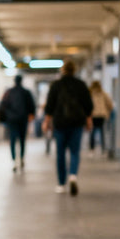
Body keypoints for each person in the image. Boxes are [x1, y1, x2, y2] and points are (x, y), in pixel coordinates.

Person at [44, 60, 93, 195]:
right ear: (74, 70)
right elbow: (88, 105)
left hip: (60, 123)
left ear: (63, 70)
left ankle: (61, 183)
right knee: (75, 151)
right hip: (77, 123)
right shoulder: (81, 85)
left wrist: (46, 121)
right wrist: (89, 120)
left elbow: (50, 105)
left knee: (60, 153)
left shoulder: (56, 85)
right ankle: (73, 176)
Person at [0, 74, 36, 172]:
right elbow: (32, 106)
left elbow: (3, 105)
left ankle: (14, 161)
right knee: (22, 140)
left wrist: (4, 118)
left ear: (14, 81)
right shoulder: (26, 92)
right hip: (23, 119)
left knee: (13, 139)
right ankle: (22, 158)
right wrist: (31, 116)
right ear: (21, 81)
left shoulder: (8, 92)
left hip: (12, 120)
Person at [87, 80, 114, 154]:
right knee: (102, 131)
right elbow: (109, 104)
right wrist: (109, 110)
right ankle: (103, 148)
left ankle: (91, 148)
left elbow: (87, 104)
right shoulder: (103, 93)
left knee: (93, 131)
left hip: (93, 115)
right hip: (102, 115)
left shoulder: (90, 93)